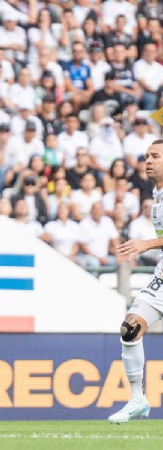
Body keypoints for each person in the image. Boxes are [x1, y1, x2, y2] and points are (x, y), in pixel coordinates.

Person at [110, 140, 163, 424]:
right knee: (130, 328)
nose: (149, 160)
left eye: (155, 156)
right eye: (146, 156)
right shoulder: (156, 194)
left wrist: (147, 244)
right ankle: (137, 399)